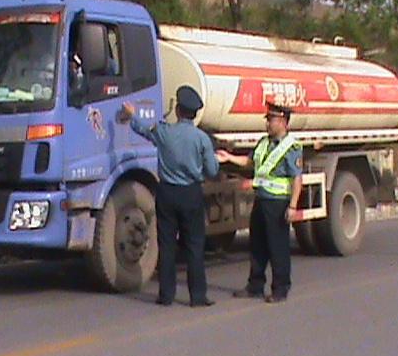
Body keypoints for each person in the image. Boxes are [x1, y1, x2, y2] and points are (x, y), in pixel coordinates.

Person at [121, 86, 219, 307]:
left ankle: (166, 295)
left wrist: (131, 114)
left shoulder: (164, 132)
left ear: (177, 110)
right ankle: (198, 296)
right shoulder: (202, 139)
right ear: (194, 114)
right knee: (194, 245)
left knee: (166, 245)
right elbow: (212, 171)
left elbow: (144, 130)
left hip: (167, 193)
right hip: (191, 193)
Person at [215, 103, 303, 304]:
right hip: (261, 200)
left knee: (278, 247)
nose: (267, 123)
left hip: (278, 203)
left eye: (271, 120)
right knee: (257, 245)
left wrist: (292, 206)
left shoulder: (291, 147)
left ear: (282, 121)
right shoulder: (263, 143)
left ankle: (280, 288)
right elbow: (250, 162)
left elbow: (297, 179)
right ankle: (255, 284)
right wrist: (228, 157)